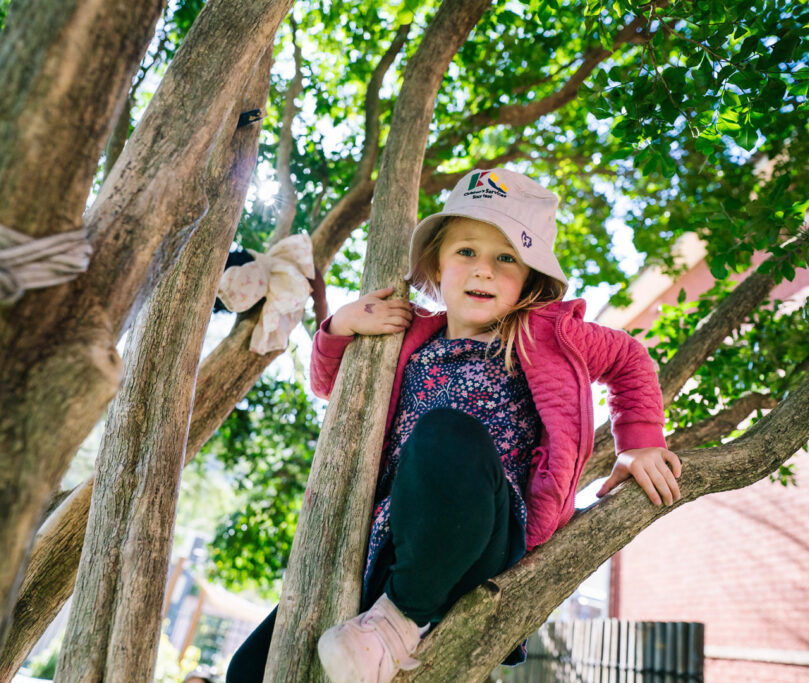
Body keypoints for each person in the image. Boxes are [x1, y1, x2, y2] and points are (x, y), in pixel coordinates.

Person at [226, 168, 680, 683]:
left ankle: (398, 623)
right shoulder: (409, 332)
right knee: (249, 669)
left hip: (485, 531)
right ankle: (392, 618)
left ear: (530, 279)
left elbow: (629, 358)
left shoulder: (549, 335)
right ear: (436, 263)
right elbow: (331, 385)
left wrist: (640, 442)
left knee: (448, 434)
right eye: (467, 252)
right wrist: (339, 327)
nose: (483, 271)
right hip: (396, 536)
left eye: (506, 259)